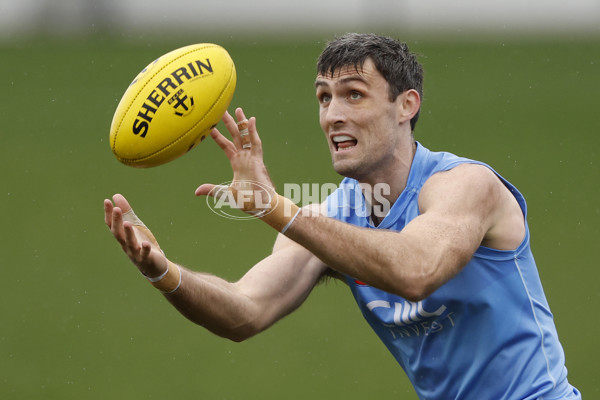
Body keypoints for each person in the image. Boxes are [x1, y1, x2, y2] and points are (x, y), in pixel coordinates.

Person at [104, 33, 581, 399]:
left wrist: (274, 207)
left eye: (354, 94)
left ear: (406, 105)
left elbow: (416, 270)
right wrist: (163, 273)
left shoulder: (466, 186)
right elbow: (243, 312)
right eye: (324, 98)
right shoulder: (330, 217)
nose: (332, 114)